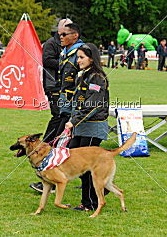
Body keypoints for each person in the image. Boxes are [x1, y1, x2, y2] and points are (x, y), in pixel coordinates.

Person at [29, 19, 74, 194]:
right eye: (66, 29)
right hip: (54, 86)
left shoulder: (70, 44)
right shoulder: (51, 43)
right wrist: (67, 64)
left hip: (67, 88)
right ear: (60, 29)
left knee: (63, 122)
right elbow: (46, 61)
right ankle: (47, 145)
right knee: (60, 119)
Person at [65, 43, 109, 211]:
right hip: (81, 126)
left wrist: (73, 121)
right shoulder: (83, 74)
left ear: (92, 58)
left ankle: (89, 203)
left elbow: (93, 105)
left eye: (82, 57)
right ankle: (103, 188)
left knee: (86, 167)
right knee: (75, 161)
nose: (78, 60)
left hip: (94, 126)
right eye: (78, 57)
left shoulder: (97, 77)